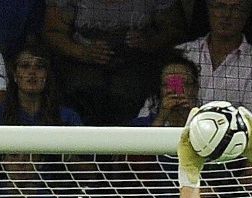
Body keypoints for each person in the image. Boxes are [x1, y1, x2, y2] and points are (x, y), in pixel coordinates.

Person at [44, 0, 186, 125]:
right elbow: (52, 32)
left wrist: (149, 42)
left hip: (136, 76)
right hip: (81, 75)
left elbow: (175, 30)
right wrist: (82, 52)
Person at [179, 0, 252, 124]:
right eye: (220, 6)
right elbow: (172, 101)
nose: (226, 15)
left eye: (235, 8)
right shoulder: (182, 54)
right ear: (209, 9)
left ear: (246, 14)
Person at [0, 40, 82, 126]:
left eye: (39, 66)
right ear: (15, 76)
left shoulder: (67, 119)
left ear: (47, 75)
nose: (32, 72)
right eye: (25, 66)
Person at [132, 49, 199, 127]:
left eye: (185, 84)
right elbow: (146, 139)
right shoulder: (141, 124)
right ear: (160, 89)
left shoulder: (208, 120)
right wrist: (161, 117)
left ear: (195, 88)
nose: (176, 91)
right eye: (168, 84)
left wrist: (192, 116)